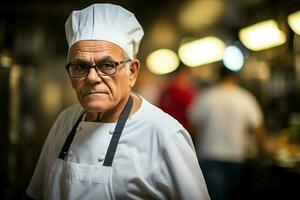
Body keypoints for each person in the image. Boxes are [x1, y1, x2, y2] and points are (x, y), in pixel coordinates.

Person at [26, 3, 210, 200]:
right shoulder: (65, 121)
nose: (92, 78)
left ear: (132, 72)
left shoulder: (164, 135)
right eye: (80, 66)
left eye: (106, 65)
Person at [188, 65, 271, 200]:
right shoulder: (245, 98)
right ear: (234, 77)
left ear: (218, 77)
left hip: (209, 155)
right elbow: (258, 129)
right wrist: (264, 150)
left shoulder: (205, 97)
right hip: (236, 157)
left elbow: (192, 129)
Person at [158, 64, 198, 140]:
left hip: (164, 133)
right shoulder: (186, 93)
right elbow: (193, 118)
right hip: (180, 134)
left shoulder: (166, 91)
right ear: (183, 75)